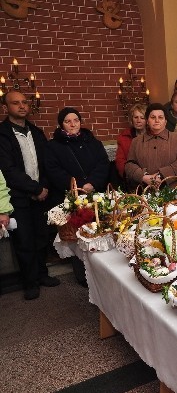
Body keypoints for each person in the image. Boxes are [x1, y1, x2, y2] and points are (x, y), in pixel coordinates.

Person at [0, 90, 60, 300]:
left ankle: (42, 274)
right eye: (16, 103)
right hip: (19, 197)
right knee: (24, 241)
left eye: (24, 102)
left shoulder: (36, 132)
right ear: (6, 108)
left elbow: (46, 164)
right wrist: (34, 189)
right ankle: (30, 282)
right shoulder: (3, 135)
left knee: (42, 237)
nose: (22, 106)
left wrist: (43, 188)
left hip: (41, 196)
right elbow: (8, 170)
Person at [46, 107, 111, 287]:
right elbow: (53, 170)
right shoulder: (53, 146)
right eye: (68, 121)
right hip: (70, 197)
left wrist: (92, 183)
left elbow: (103, 164)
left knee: (97, 233)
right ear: (61, 125)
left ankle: (102, 272)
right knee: (76, 236)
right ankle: (82, 275)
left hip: (93, 195)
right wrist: (74, 186)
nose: (73, 124)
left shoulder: (92, 141)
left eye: (76, 120)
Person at [125, 103, 177, 189]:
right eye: (153, 117)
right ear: (147, 121)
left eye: (160, 117)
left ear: (165, 121)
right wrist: (143, 176)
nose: (157, 120)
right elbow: (129, 165)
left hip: (173, 190)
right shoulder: (136, 141)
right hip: (145, 191)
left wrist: (161, 176)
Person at [115, 103, 147, 181]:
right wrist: (133, 175)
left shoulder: (154, 135)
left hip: (152, 176)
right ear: (131, 119)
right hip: (132, 178)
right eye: (136, 117)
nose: (138, 121)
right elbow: (120, 161)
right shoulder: (124, 137)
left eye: (142, 118)